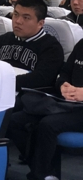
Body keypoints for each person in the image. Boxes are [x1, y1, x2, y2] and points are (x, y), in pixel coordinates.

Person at [6, 38, 83, 180]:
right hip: (69, 103)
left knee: (48, 124)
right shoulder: (81, 44)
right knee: (14, 121)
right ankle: (47, 173)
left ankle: (40, 175)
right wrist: (63, 85)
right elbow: (64, 72)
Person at [0, 0, 63, 93]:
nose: (18, 21)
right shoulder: (4, 39)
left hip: (29, 96)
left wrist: (4, 81)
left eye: (26, 18)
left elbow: (41, 79)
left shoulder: (51, 47)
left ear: (40, 23)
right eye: (16, 14)